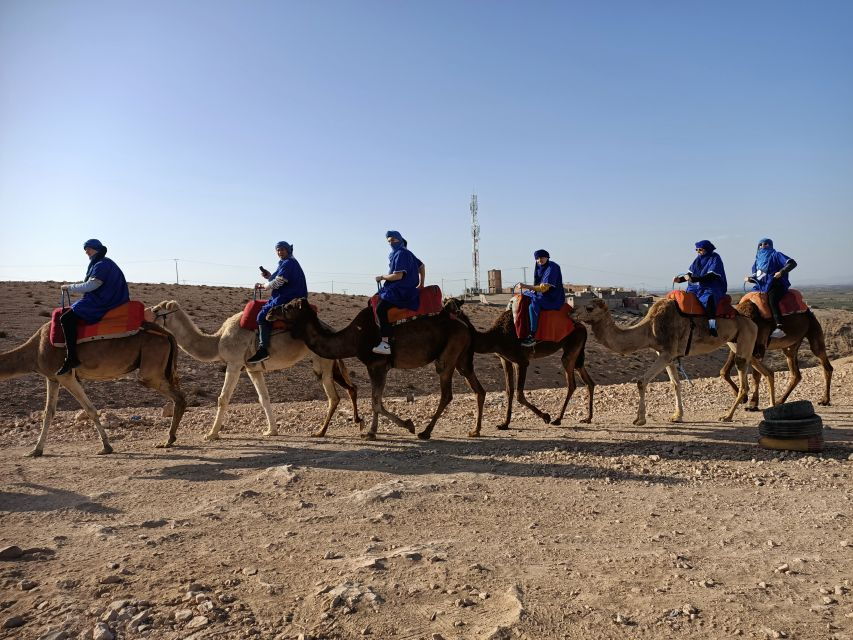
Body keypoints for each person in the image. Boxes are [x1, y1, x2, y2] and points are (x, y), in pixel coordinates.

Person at [56, 239, 130, 375]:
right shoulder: (102, 262)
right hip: (105, 298)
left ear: (97, 249)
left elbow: (92, 285)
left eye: (89, 248)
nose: (86, 252)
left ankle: (71, 357)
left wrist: (69, 287)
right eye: (85, 249)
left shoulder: (102, 264)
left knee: (66, 319)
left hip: (105, 301)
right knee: (72, 311)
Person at [247, 241, 308, 363]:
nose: (280, 252)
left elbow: (278, 282)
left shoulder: (288, 263)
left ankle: (263, 350)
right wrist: (269, 276)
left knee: (261, 316)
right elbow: (277, 279)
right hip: (289, 295)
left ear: (288, 250)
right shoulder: (286, 263)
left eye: (282, 250)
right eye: (278, 250)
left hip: (288, 297)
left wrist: (264, 286)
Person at [373, 230, 423, 355]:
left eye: (394, 240)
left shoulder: (401, 254)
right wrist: (421, 283)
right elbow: (422, 266)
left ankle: (385, 343)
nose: (391, 243)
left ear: (400, 240)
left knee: (380, 309)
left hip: (401, 291)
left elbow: (398, 276)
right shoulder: (407, 253)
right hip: (405, 289)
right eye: (389, 241)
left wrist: (382, 277)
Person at [673, 240, 728, 337]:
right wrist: (679, 280)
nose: (698, 251)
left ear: (707, 249)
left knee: (709, 299)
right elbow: (689, 275)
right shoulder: (697, 260)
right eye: (697, 250)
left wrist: (695, 279)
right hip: (695, 287)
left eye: (700, 249)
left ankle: (712, 326)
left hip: (711, 286)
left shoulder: (715, 258)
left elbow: (712, 275)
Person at [745, 238, 797, 339]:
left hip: (776, 284)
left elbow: (792, 263)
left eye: (766, 244)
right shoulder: (757, 261)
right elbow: (758, 277)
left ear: (771, 245)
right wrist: (750, 279)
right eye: (760, 245)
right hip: (761, 286)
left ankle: (779, 327)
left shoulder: (776, 255)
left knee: (772, 300)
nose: (763, 246)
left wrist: (781, 272)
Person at [518, 249, 566, 347]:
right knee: (521, 298)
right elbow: (537, 284)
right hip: (540, 293)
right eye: (537, 258)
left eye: (542, 257)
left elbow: (544, 288)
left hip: (552, 296)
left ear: (547, 257)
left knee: (533, 306)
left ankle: (532, 334)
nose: (540, 260)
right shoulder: (539, 267)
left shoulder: (552, 267)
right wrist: (529, 289)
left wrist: (526, 286)